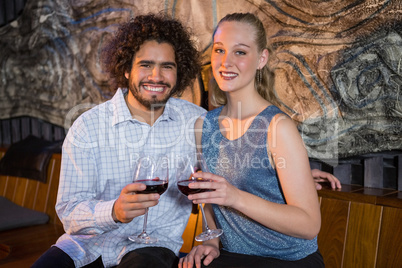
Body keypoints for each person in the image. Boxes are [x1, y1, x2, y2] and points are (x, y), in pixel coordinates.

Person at [32, 13, 206, 268]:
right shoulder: (88, 127)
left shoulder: (197, 121)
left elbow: (218, 184)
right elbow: (69, 212)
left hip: (153, 246)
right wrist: (114, 211)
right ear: (126, 69)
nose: (156, 76)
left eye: (167, 66)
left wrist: (210, 240)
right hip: (85, 246)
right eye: (145, 65)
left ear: (179, 73)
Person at [179, 13, 328, 268]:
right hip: (232, 257)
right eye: (220, 49)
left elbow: (309, 225)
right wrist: (211, 242)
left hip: (288, 259)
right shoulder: (204, 125)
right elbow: (209, 198)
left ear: (261, 59)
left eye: (240, 52)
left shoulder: (277, 127)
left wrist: (235, 197)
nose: (226, 61)